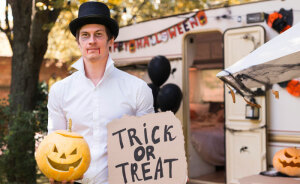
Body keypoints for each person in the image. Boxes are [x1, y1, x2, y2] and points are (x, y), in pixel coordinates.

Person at [47, 2, 154, 184]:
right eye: (85, 35)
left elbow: (150, 146)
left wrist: (171, 171)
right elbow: (55, 143)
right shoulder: (60, 91)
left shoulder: (138, 89)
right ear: (78, 42)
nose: (92, 41)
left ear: (110, 40)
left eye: (98, 34)